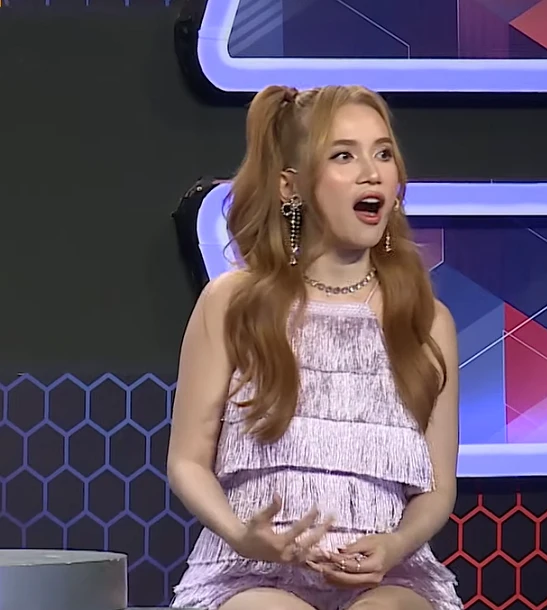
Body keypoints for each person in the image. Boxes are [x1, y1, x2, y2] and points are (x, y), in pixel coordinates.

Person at [166, 84, 462, 610]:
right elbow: (188, 461)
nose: (372, 173)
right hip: (247, 573)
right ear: (291, 186)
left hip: (390, 576)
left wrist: (396, 544)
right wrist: (241, 535)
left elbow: (437, 490)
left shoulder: (427, 321)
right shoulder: (233, 303)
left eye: (383, 153)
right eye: (344, 155)